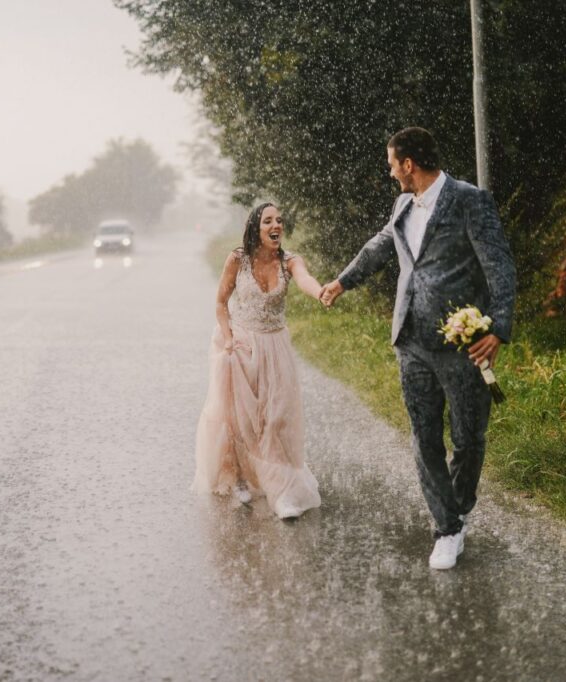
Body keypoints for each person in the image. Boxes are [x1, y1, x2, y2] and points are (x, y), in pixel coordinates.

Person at [320, 127, 516, 569]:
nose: (391, 173)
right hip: (410, 340)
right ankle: (446, 528)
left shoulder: (469, 200)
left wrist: (498, 329)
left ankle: (459, 505)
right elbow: (382, 245)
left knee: (469, 437)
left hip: (461, 343)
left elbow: (500, 266)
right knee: (424, 436)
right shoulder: (402, 205)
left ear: (409, 164)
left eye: (393, 164)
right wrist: (343, 280)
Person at [193, 203, 324, 519]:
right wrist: (227, 337)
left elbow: (305, 279)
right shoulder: (238, 259)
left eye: (279, 220)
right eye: (268, 221)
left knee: (276, 417)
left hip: (275, 347)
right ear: (256, 227)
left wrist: (320, 292)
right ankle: (240, 479)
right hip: (240, 345)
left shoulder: (289, 261)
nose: (275, 225)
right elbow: (221, 303)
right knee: (239, 420)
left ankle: (282, 493)